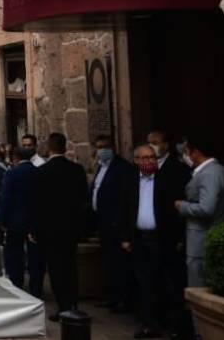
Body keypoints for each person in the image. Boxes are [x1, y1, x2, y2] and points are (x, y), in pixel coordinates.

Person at [124, 144, 187, 340]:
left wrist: (178, 238)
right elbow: (125, 210)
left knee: (170, 283)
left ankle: (175, 326)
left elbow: (174, 213)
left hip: (163, 239)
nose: (150, 161)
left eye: (152, 157)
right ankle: (150, 324)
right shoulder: (130, 181)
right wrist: (125, 238)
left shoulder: (166, 180)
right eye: (145, 158)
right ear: (136, 161)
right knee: (145, 284)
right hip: (140, 240)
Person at [30, 132, 87, 320]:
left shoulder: (41, 172)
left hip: (50, 230)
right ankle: (73, 303)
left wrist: (35, 229)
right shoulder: (77, 170)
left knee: (56, 269)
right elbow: (83, 200)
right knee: (70, 267)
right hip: (71, 227)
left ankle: (63, 306)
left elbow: (37, 205)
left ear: (49, 148)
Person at [175, 135, 224, 288]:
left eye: (187, 151)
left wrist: (183, 206)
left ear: (196, 152)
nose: (185, 155)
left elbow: (207, 208)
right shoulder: (219, 170)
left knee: (198, 288)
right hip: (210, 237)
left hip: (202, 240)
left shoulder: (210, 173)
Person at [90, 134, 136, 313]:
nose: (102, 150)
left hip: (116, 223)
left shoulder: (123, 168)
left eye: (105, 147)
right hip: (103, 223)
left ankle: (124, 299)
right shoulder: (100, 167)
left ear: (113, 148)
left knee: (120, 264)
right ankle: (112, 297)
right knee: (108, 262)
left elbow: (125, 198)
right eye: (99, 147)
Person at [0, 146, 44, 297]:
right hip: (35, 220)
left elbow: (6, 198)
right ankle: (36, 289)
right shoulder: (39, 172)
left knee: (15, 255)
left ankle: (17, 284)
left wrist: (3, 220)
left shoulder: (12, 174)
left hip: (15, 221)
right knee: (35, 257)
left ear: (15, 158)